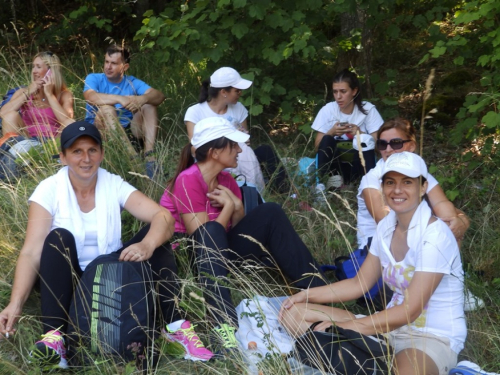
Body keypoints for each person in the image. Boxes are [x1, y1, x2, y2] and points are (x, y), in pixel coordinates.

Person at [0, 121, 213, 370]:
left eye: (92, 150)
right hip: (70, 281)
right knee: (58, 237)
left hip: (110, 276)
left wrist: (147, 245)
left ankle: (175, 327)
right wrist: (15, 304)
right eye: (77, 151)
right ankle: (54, 338)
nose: (86, 158)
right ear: (63, 157)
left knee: (157, 236)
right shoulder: (48, 189)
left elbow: (164, 217)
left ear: (101, 153)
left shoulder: (113, 184)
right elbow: (31, 251)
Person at [280, 152, 466, 375]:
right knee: (293, 314)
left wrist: (343, 329)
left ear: (423, 187)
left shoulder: (435, 235)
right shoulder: (387, 226)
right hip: (386, 328)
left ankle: (350, 356)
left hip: (429, 336)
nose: (397, 190)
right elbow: (359, 283)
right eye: (390, 182)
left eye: (407, 182)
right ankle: (358, 357)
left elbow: (411, 310)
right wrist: (305, 296)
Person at [160, 117, 325, 351]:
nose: (239, 150)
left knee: (271, 211)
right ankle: (223, 325)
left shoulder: (226, 179)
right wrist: (229, 208)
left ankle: (318, 289)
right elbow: (203, 237)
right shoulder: (188, 180)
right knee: (212, 231)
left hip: (223, 253)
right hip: (192, 260)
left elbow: (239, 230)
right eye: (234, 144)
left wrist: (237, 208)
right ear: (215, 152)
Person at [356, 118, 469, 250]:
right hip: (380, 244)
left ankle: (449, 268)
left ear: (411, 146)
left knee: (449, 219)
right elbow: (386, 222)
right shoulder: (371, 179)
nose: (388, 149)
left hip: (415, 233)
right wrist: (456, 222)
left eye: (396, 143)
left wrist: (454, 221)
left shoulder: (419, 173)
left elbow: (441, 203)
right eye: (382, 144)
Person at [184, 67, 287, 193]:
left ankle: (286, 193)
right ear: (223, 92)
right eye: (237, 91)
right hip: (212, 159)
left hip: (238, 155)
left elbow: (246, 142)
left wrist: (242, 136)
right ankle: (249, 190)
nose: (240, 94)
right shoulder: (195, 111)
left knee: (264, 151)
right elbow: (195, 148)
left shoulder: (239, 108)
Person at [83, 44, 165, 178]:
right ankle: (134, 161)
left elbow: (159, 96)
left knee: (149, 104)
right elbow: (90, 97)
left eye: (114, 63)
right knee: (107, 108)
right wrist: (120, 99)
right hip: (101, 132)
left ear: (124, 67)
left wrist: (143, 98)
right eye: (106, 62)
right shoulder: (94, 78)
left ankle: (150, 156)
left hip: (129, 131)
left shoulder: (132, 82)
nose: (108, 67)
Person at [311, 69, 384, 188]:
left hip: (359, 164)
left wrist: (360, 134)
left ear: (354, 91)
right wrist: (331, 133)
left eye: (343, 91)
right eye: (335, 92)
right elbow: (318, 147)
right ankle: (323, 185)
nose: (338, 97)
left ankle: (370, 186)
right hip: (335, 165)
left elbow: (379, 146)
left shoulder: (368, 110)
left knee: (364, 140)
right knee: (327, 139)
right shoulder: (328, 110)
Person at [0, 51, 74, 138]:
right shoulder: (23, 92)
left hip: (55, 143)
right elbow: (3, 113)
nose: (34, 71)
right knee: (10, 116)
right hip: (28, 142)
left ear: (51, 72)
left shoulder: (64, 95)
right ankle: (13, 149)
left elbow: (67, 122)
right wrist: (28, 92)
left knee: (70, 123)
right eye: (33, 67)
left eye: (38, 67)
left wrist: (49, 95)